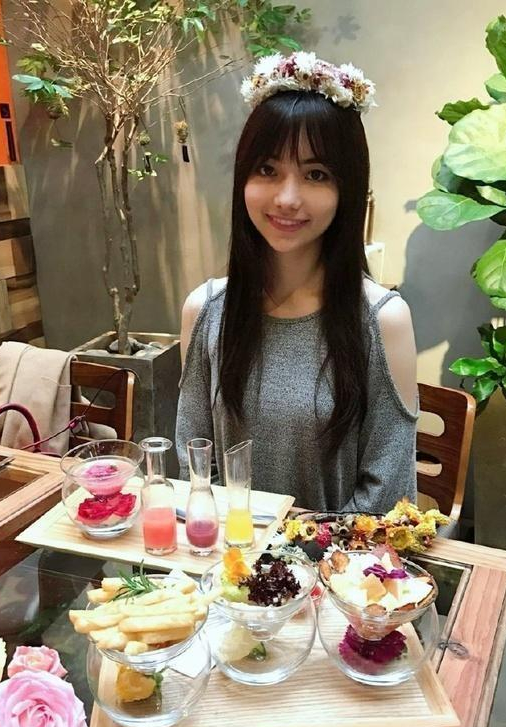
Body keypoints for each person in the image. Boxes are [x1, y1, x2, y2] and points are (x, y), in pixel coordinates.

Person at [176, 52, 418, 513]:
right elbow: (196, 471)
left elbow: (387, 496)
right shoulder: (205, 311)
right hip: (229, 553)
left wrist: (298, 553)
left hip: (341, 556)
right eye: (267, 169)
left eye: (315, 174)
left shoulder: (383, 320)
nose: (287, 198)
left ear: (347, 189)